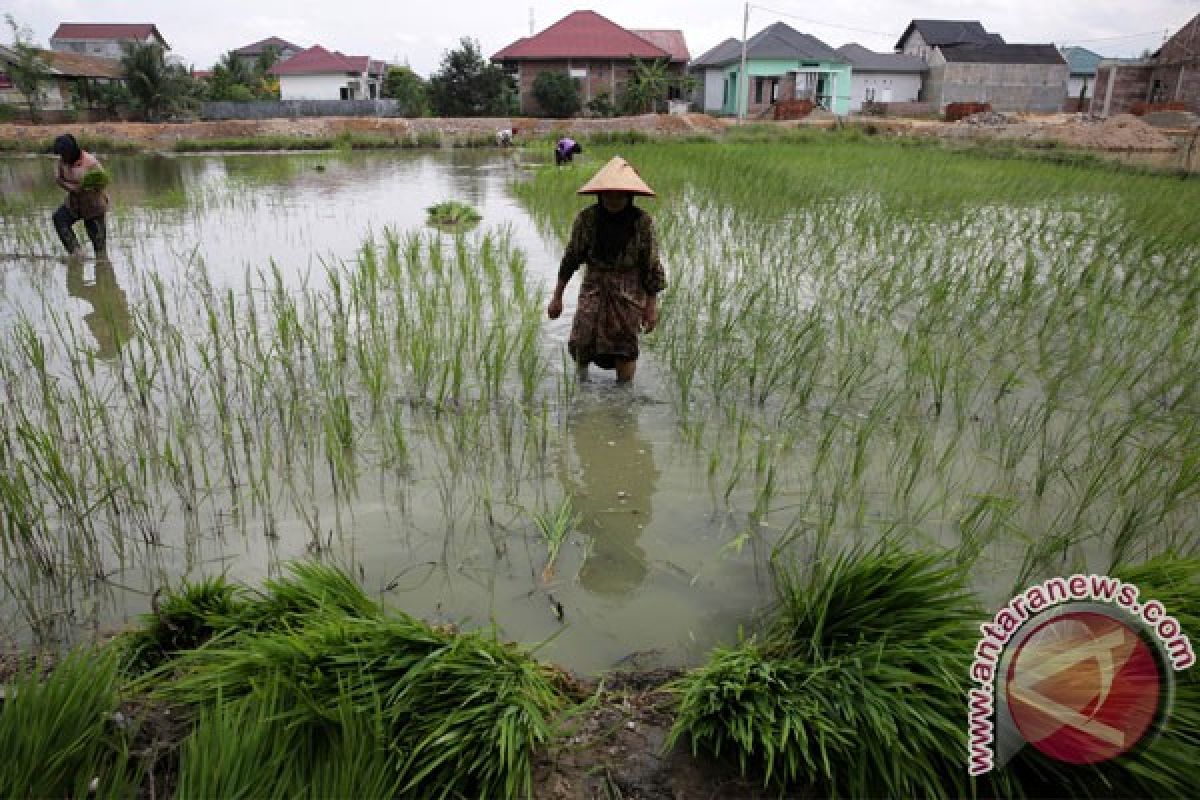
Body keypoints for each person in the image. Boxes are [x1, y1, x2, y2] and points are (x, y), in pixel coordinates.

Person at [546, 156, 665, 384]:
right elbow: (571, 258)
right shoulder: (587, 219)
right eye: (608, 193)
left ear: (630, 195)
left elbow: (651, 266)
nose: (613, 199)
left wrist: (650, 307)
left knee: (624, 347)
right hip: (594, 288)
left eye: (620, 194)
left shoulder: (642, 223)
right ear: (600, 194)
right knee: (582, 341)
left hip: (627, 293)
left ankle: (623, 402)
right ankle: (581, 388)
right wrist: (557, 297)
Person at [51, 134, 109, 258]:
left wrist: (87, 188)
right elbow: (59, 180)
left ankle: (103, 269)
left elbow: (102, 184)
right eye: (60, 155)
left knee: (99, 248)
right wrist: (73, 188)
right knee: (59, 218)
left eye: (63, 154)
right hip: (73, 204)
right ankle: (77, 254)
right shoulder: (62, 162)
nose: (61, 157)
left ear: (71, 151)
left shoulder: (91, 163)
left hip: (94, 206)